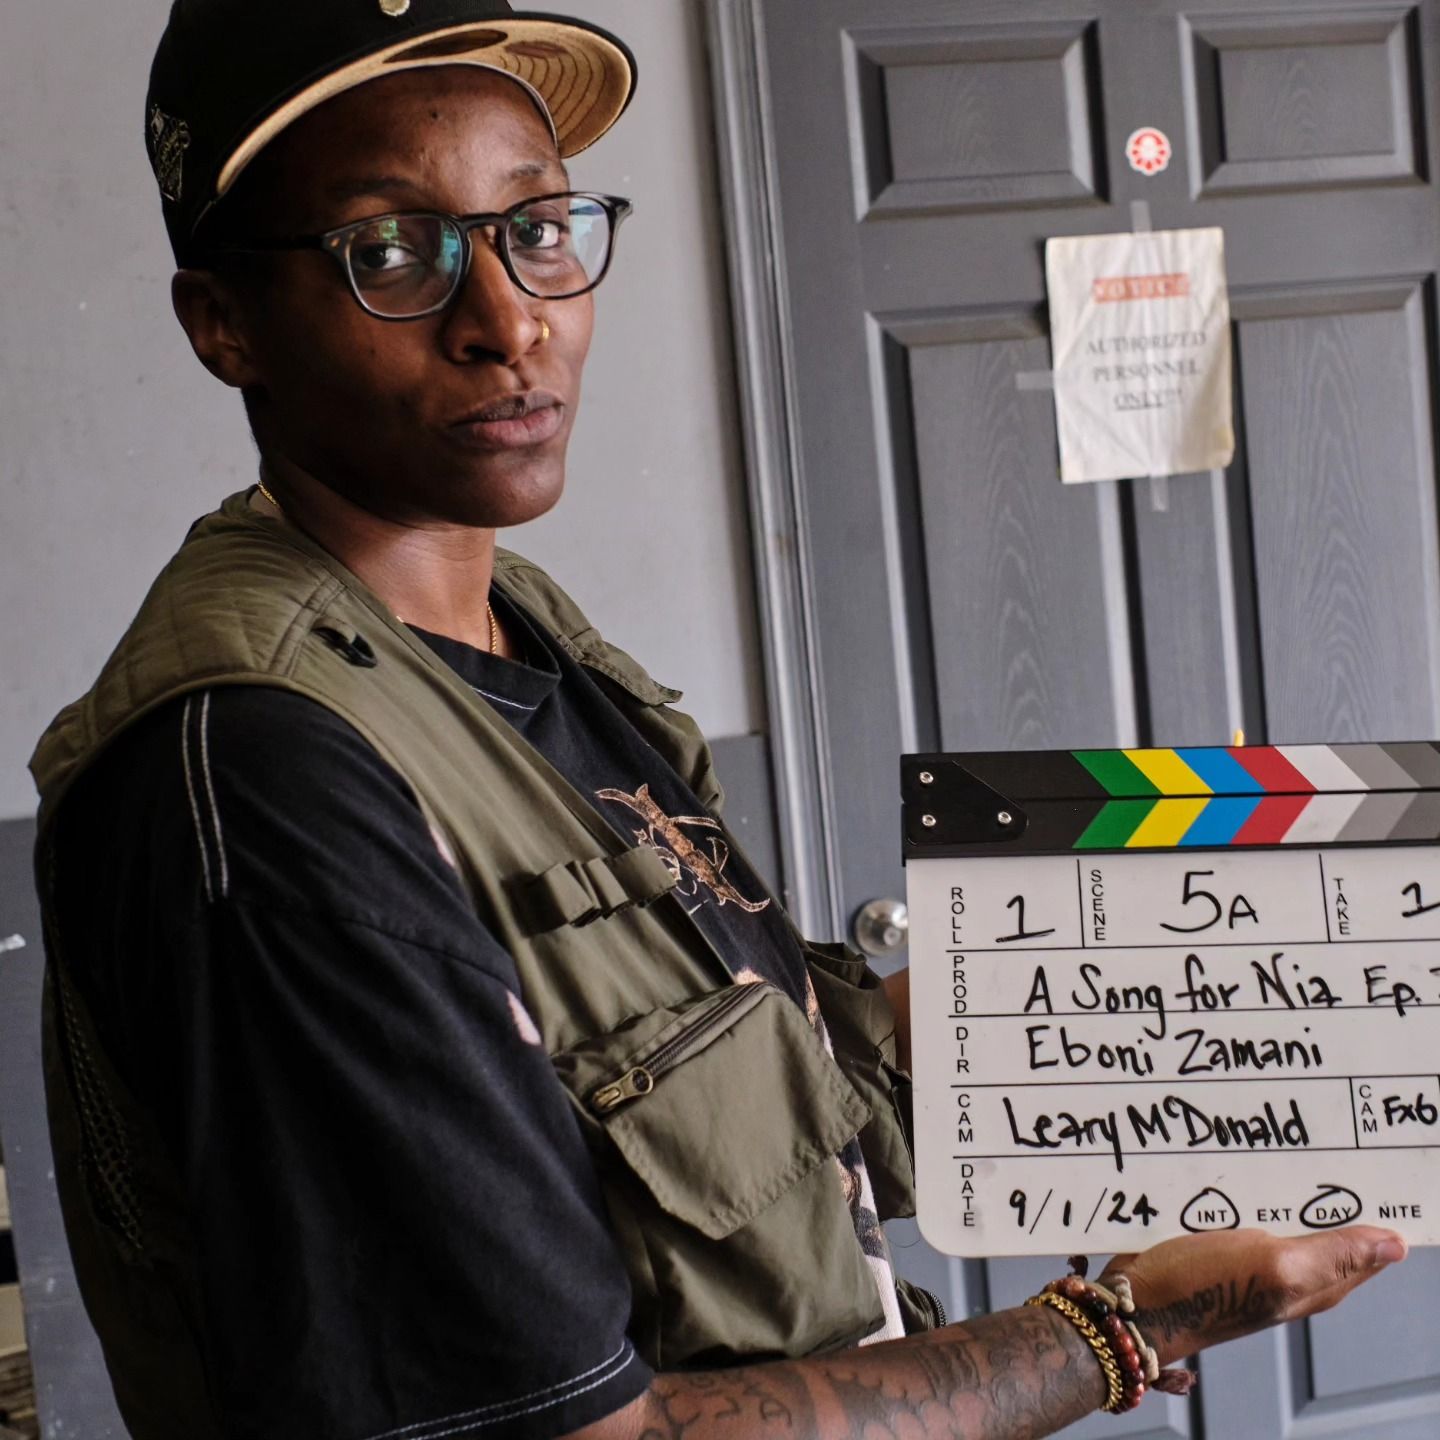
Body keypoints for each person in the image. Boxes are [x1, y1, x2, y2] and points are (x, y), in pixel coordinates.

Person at [29, 2, 1406, 1438]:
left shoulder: (517, 636)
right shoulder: (267, 776)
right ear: (222, 324)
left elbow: (733, 1061)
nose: (508, 319)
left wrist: (1217, 1015)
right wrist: (1129, 1327)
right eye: (391, 253)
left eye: (538, 226)